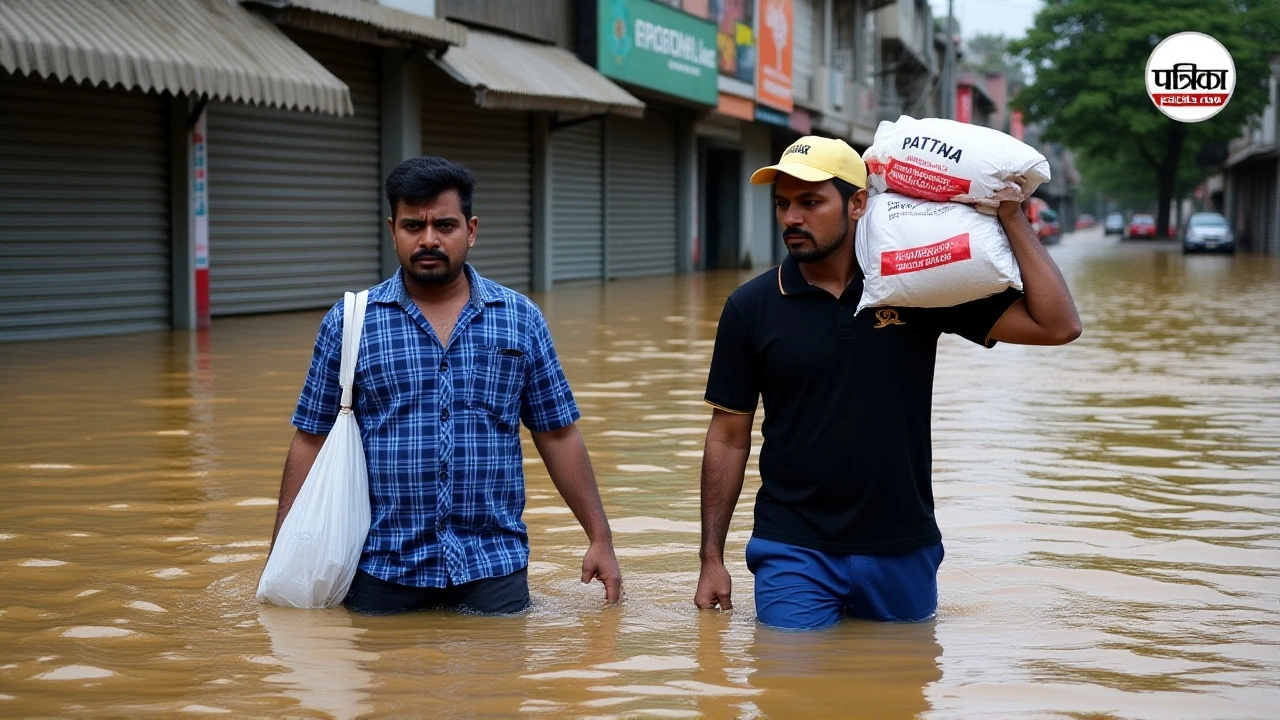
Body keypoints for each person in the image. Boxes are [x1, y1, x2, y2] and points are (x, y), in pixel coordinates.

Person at [693, 136, 1081, 630]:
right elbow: (728, 438)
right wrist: (711, 558)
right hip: (793, 545)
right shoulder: (751, 307)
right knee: (785, 673)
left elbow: (1058, 326)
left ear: (858, 204)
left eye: (810, 202)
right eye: (782, 204)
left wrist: (1012, 217)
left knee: (901, 675)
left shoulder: (920, 288)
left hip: (902, 543)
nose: (792, 218)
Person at [273, 155, 622, 615]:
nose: (429, 240)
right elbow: (310, 439)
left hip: (493, 568)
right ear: (393, 230)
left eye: (445, 225)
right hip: (380, 568)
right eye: (413, 226)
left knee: (502, 664)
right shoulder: (351, 323)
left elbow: (557, 433)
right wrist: (282, 555)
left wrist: (600, 537)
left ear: (470, 230)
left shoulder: (519, 319)